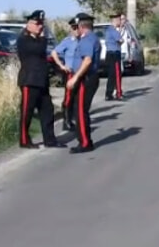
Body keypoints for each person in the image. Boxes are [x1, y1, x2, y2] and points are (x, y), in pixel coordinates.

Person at [17, 10, 61, 149]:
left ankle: (50, 139)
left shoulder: (38, 39)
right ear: (28, 24)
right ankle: (24, 140)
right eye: (37, 24)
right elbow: (38, 50)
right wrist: (43, 37)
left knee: (47, 110)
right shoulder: (24, 39)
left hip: (41, 81)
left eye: (41, 24)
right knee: (27, 112)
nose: (40, 26)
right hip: (29, 81)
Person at [66, 13, 102, 153]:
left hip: (85, 79)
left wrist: (75, 78)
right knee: (80, 110)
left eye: (77, 26)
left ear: (81, 26)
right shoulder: (92, 38)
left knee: (80, 111)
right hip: (88, 78)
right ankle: (85, 140)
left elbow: (87, 61)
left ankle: (85, 143)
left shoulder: (87, 40)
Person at [50, 16, 81, 133]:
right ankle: (66, 121)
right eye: (74, 28)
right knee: (68, 97)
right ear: (71, 29)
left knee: (78, 98)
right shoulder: (67, 41)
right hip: (70, 73)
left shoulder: (83, 41)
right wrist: (62, 66)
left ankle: (75, 119)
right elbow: (54, 53)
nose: (76, 30)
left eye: (78, 28)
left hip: (80, 73)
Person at [103, 11, 125, 101]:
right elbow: (120, 40)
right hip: (114, 54)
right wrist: (121, 39)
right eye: (119, 20)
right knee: (117, 74)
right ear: (115, 20)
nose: (120, 22)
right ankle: (118, 93)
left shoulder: (108, 30)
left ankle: (109, 94)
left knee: (111, 75)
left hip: (109, 53)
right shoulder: (113, 30)